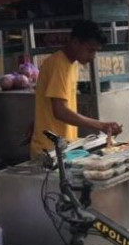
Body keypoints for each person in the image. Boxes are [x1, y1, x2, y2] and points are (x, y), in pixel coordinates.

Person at [30, 20, 122, 158]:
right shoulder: (58, 65)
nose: (93, 56)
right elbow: (60, 111)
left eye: (96, 51)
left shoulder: (71, 64)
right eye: (90, 50)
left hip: (64, 147)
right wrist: (101, 125)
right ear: (75, 42)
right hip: (49, 150)